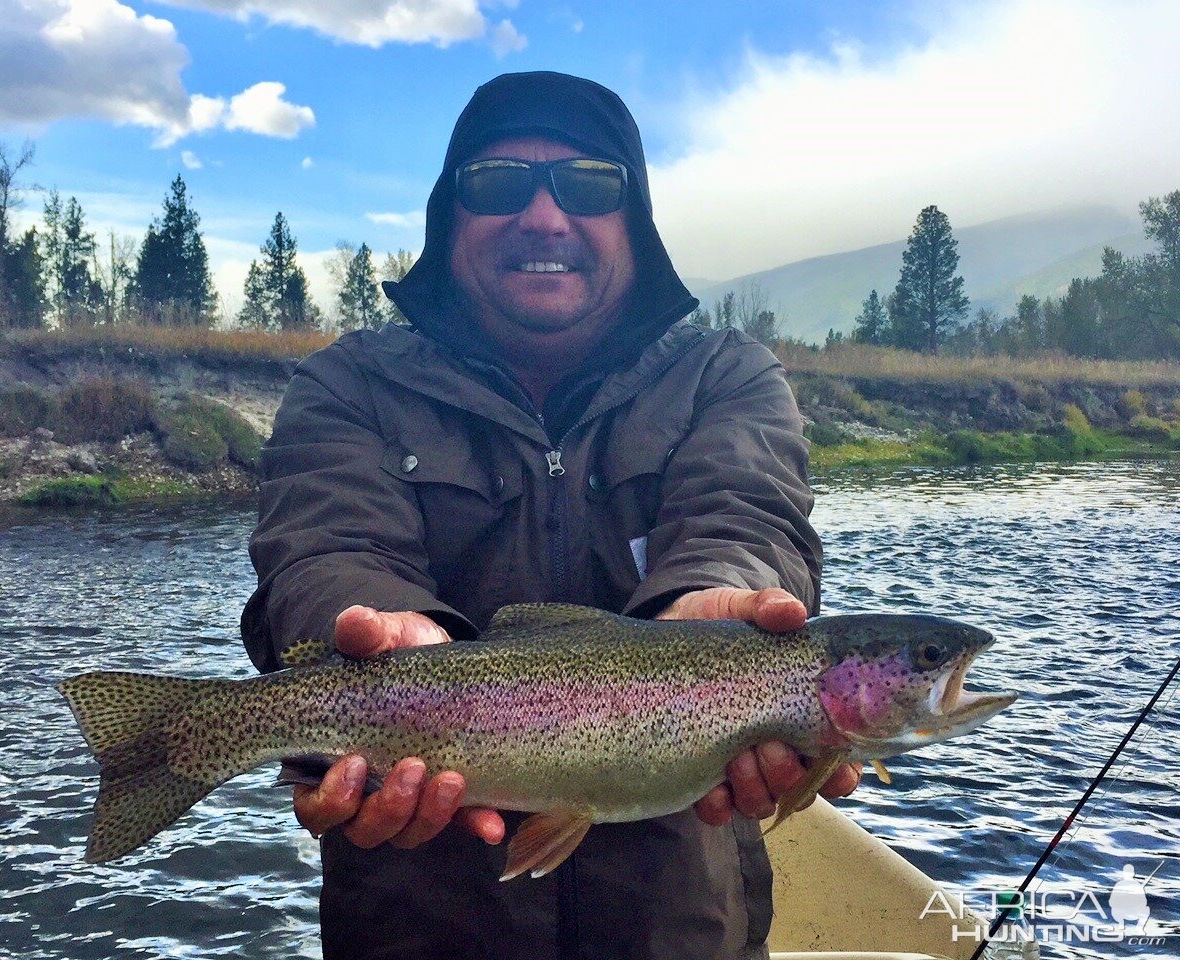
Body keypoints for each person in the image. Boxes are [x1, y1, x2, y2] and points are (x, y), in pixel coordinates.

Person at [242, 70, 861, 960]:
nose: (543, 216)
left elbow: (747, 519)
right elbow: (325, 553)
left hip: (680, 932)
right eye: (496, 183)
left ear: (634, 220)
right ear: (447, 216)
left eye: (587, 184)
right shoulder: (349, 386)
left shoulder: (724, 377)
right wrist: (379, 635)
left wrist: (715, 614)